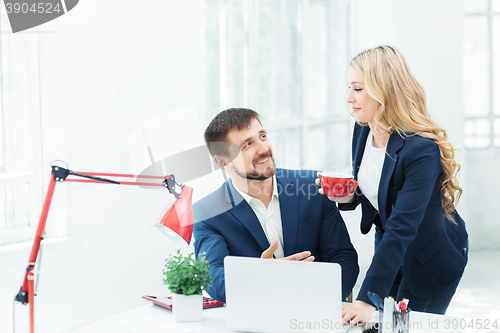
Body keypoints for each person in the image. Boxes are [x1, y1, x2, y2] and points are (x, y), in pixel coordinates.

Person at [317, 46, 468, 323]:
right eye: (349, 87)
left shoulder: (421, 151)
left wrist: (365, 299)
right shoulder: (363, 128)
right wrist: (346, 197)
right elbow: (378, 190)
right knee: (382, 324)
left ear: (383, 90)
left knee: (404, 326)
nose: (349, 98)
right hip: (390, 247)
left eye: (358, 88)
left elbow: (401, 227)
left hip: (430, 257)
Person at [193, 108, 359, 303]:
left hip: (315, 313)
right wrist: (263, 275)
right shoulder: (207, 213)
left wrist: (314, 305)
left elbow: (344, 259)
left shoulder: (312, 187)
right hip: (257, 319)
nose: (263, 148)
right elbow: (214, 280)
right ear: (223, 162)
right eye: (247, 144)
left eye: (262, 136)